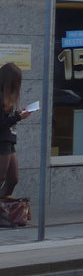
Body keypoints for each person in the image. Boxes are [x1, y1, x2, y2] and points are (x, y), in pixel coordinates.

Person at [0, 62, 33, 198]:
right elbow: (1, 123)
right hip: (2, 141)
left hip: (9, 141)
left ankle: (2, 208)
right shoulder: (1, 96)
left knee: (13, 179)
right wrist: (19, 117)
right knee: (1, 177)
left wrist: (18, 114)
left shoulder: (6, 96)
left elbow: (6, 118)